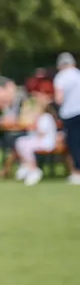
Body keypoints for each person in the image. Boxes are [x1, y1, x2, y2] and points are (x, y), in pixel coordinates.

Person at [11, 93, 58, 186]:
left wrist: (34, 124)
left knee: (28, 146)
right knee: (20, 142)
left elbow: (42, 133)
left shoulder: (46, 117)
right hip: (38, 140)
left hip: (46, 142)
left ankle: (33, 168)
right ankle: (26, 165)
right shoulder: (39, 117)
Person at [54, 52, 80, 185]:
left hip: (70, 114)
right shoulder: (78, 74)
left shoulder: (61, 77)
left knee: (74, 143)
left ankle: (77, 172)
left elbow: (59, 99)